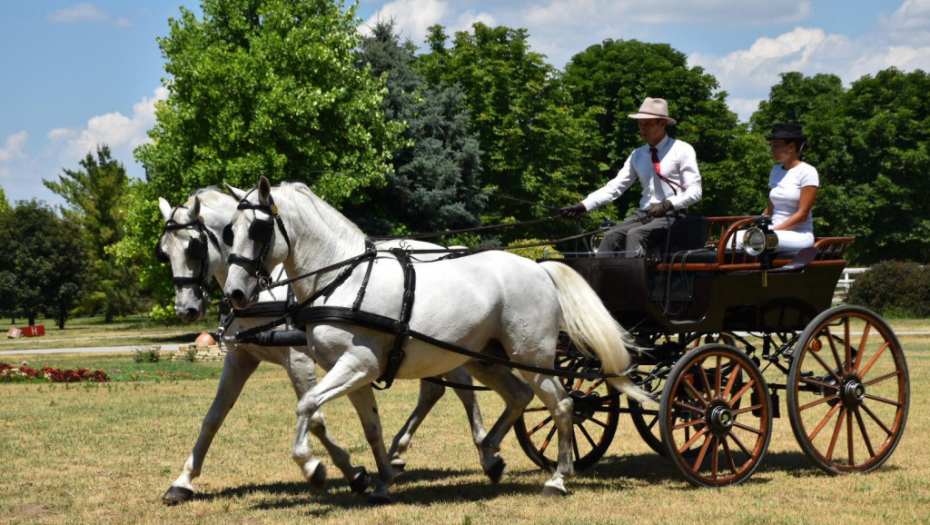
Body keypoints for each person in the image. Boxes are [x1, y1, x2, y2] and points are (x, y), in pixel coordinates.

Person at [561, 97, 702, 257]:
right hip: (644, 214)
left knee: (635, 235)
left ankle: (633, 282)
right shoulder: (638, 155)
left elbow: (695, 191)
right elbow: (614, 188)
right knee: (609, 236)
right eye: (640, 124)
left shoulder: (682, 150)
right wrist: (583, 205)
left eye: (647, 123)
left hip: (673, 215)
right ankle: (600, 281)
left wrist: (669, 203)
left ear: (662, 123)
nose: (642, 128)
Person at [740, 123, 819, 251]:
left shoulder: (807, 172)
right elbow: (770, 209)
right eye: (772, 146)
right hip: (774, 232)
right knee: (731, 239)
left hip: (799, 235)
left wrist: (770, 230)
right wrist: (757, 226)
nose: (772, 151)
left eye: (776, 146)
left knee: (758, 240)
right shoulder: (775, 171)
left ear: (791, 147)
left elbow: (802, 215)